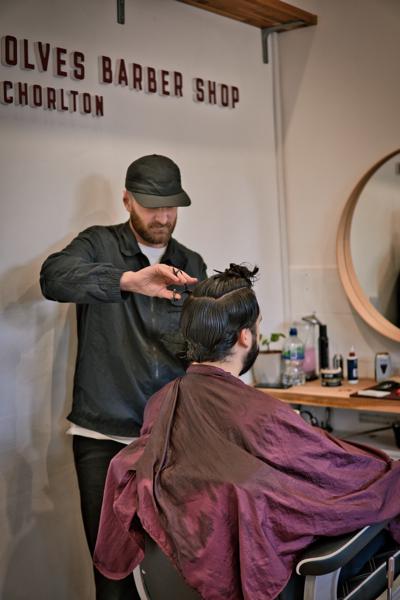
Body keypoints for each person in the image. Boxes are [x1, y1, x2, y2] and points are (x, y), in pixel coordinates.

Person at [93, 264, 400, 600]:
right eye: (258, 325)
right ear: (245, 336)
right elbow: (336, 475)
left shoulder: (161, 402)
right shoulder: (263, 415)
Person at [40, 154, 207, 600]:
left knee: (173, 568)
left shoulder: (191, 262)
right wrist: (129, 281)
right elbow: (52, 278)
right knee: (113, 577)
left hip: (171, 440)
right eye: (152, 205)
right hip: (103, 438)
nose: (164, 217)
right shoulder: (98, 244)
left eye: (171, 206)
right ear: (127, 199)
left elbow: (201, 350)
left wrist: (239, 340)